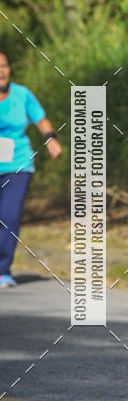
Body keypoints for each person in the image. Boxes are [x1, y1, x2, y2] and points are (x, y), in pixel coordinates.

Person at [0, 50, 62, 287]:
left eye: (4, 66)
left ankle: (2, 270)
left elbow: (41, 120)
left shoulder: (22, 94)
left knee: (9, 216)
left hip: (18, 164)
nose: (1, 71)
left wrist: (51, 140)